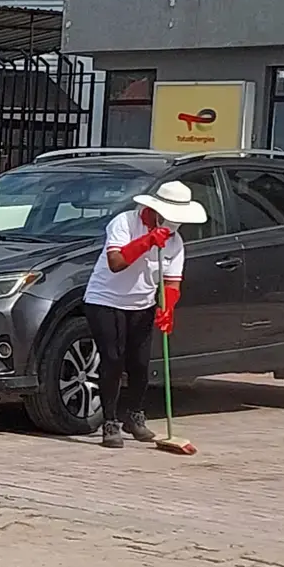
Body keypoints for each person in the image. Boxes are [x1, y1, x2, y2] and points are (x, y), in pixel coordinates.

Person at [82, 180, 208, 450]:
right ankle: (110, 422)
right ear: (155, 210)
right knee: (113, 360)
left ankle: (134, 415)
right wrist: (147, 241)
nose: (175, 223)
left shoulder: (175, 242)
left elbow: (172, 282)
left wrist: (167, 307)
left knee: (139, 364)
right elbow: (116, 263)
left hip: (141, 304)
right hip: (105, 301)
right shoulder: (124, 223)